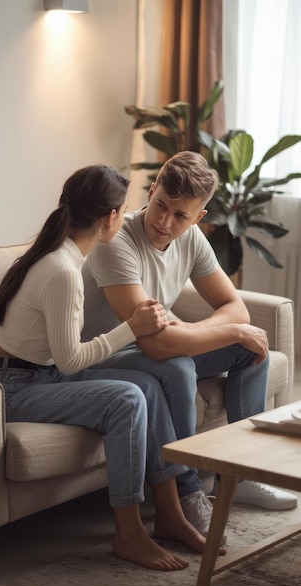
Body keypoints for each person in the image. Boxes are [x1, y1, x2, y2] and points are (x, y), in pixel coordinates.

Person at [0, 164, 225, 573]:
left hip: (42, 374)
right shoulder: (62, 271)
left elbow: (61, 362)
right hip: (15, 385)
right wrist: (131, 329)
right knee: (128, 398)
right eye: (126, 209)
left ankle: (169, 514)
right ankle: (128, 533)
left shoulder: (60, 255)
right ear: (111, 216)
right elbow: (70, 360)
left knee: (148, 384)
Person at [81, 152, 297, 540]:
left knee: (254, 347)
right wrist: (225, 332)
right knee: (181, 364)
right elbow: (160, 345)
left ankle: (240, 475)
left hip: (145, 350)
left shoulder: (191, 238)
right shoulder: (116, 243)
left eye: (180, 216)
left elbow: (235, 308)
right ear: (152, 191)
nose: (164, 222)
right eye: (160, 205)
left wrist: (205, 331)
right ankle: (187, 491)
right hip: (98, 356)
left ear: (198, 218)